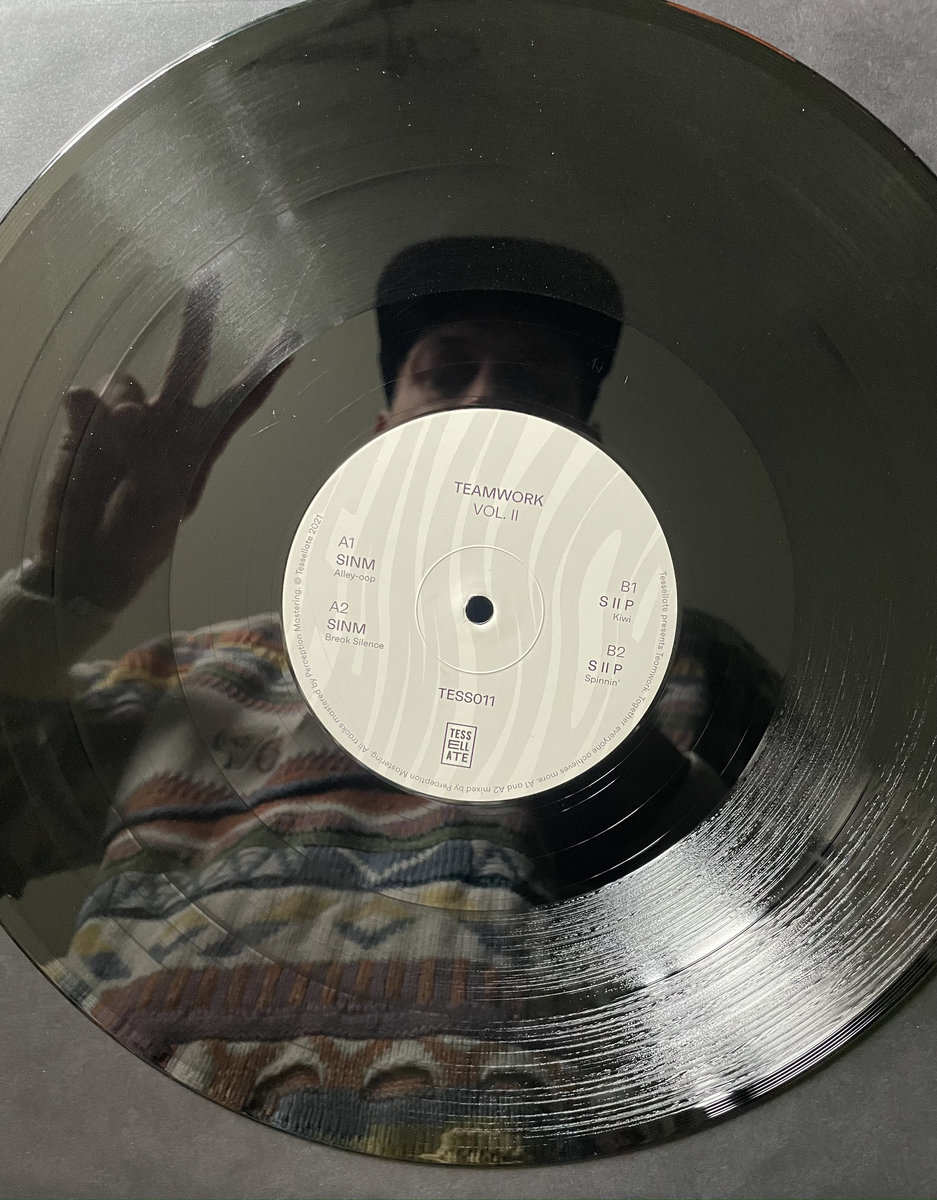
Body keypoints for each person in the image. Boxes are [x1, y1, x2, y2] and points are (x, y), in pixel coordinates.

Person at [0, 238, 777, 1162]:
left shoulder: (694, 661)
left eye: (531, 383)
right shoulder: (200, 668)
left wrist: (583, 697)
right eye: (444, 375)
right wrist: (63, 593)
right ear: (381, 437)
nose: (484, 400)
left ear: (587, 453)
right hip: (114, 1158)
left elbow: (811, 933)